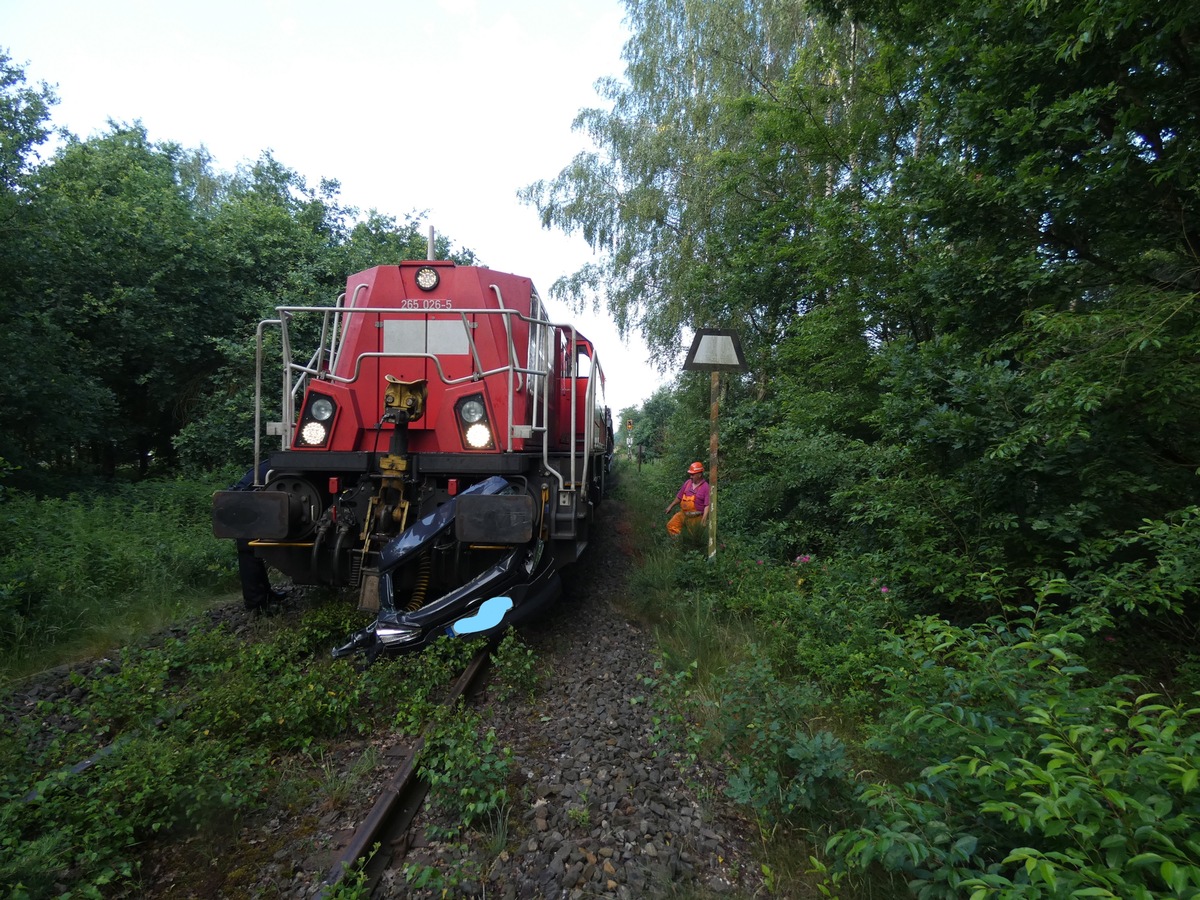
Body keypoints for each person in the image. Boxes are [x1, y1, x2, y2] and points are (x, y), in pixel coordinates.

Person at [230, 462, 290, 613]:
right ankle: (255, 604)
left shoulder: (271, 465)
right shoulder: (281, 467)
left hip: (248, 498)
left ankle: (266, 593)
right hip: (245, 503)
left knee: (254, 552)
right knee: (249, 550)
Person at [665, 461, 710, 536]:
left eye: (692, 474)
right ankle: (678, 542)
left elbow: (707, 505)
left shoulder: (706, 487)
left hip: (696, 517)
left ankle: (687, 544)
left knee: (692, 536)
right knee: (671, 526)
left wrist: (704, 519)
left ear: (699, 474)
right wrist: (670, 506)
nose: (690, 477)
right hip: (684, 514)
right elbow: (679, 497)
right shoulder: (687, 483)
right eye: (690, 474)